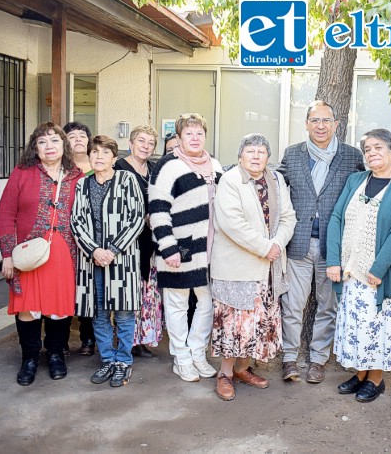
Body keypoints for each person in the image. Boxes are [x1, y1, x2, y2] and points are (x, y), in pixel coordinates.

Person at [326, 129, 391, 402]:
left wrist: (379, 267)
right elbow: (337, 218)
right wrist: (333, 261)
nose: (372, 153)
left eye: (378, 147)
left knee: (377, 326)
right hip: (350, 270)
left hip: (379, 275)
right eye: (367, 149)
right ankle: (362, 373)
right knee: (356, 324)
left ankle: (376, 378)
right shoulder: (356, 180)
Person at [278, 100, 364, 384]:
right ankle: (289, 358)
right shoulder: (292, 155)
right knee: (292, 305)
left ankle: (317, 360)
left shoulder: (351, 157)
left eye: (326, 120)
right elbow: (276, 187)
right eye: (315, 120)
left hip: (333, 248)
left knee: (328, 307)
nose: (320, 126)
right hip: (298, 244)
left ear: (336, 124)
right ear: (306, 124)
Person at [209, 133, 296, 400]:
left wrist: (277, 244)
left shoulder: (277, 180)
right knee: (234, 323)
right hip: (237, 267)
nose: (256, 156)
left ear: (268, 157)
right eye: (250, 151)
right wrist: (264, 247)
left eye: (261, 151)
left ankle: (243, 369)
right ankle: (224, 373)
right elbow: (231, 223)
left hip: (268, 268)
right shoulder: (230, 180)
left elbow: (288, 217)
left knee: (258, 323)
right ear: (240, 156)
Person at [0, 122, 83, 386]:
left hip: (64, 253)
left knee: (59, 308)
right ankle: (30, 358)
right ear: (35, 147)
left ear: (63, 145)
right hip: (28, 253)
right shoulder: (22, 173)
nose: (49, 147)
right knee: (28, 307)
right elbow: (6, 214)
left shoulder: (76, 176)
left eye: (54, 141)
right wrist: (8, 254)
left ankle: (56, 354)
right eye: (42, 141)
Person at [149, 112, 223, 382]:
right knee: (178, 304)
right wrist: (167, 247)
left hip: (211, 249)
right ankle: (181, 359)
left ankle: (197, 353)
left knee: (207, 302)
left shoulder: (215, 165)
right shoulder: (168, 166)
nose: (194, 138)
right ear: (179, 138)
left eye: (199, 133)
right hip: (179, 249)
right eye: (188, 133)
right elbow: (158, 209)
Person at [71, 136, 145, 388]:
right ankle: (107, 360)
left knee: (124, 314)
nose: (99, 156)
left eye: (105, 152)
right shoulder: (82, 184)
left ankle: (123, 361)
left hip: (121, 259)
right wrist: (94, 250)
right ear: (89, 157)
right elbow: (76, 222)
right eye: (95, 152)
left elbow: (136, 218)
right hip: (92, 261)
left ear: (114, 157)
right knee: (99, 314)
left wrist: (111, 250)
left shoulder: (127, 180)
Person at [115, 125, 160, 358]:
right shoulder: (119, 168)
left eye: (150, 143)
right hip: (127, 242)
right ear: (131, 143)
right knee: (129, 291)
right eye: (141, 141)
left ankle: (142, 338)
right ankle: (126, 341)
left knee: (146, 291)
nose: (145, 146)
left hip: (149, 241)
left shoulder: (154, 169)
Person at [63, 121, 96, 357]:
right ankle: (61, 339)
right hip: (66, 238)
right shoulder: (61, 169)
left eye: (82, 135)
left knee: (89, 289)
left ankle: (88, 338)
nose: (77, 139)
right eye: (71, 135)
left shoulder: (99, 165)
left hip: (94, 238)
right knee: (65, 289)